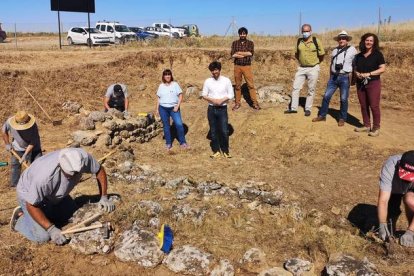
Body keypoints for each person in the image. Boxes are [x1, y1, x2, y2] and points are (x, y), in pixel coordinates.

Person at [9, 148, 115, 245]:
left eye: (76, 173)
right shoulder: (44, 178)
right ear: (61, 166)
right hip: (28, 195)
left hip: (53, 195)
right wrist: (51, 229)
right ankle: (19, 219)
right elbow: (31, 205)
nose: (73, 176)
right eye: (69, 174)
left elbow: (99, 170)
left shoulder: (81, 158)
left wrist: (104, 197)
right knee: (43, 237)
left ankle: (44, 214)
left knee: (72, 214)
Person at [312, 31, 357, 126]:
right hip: (333, 77)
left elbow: (355, 64)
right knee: (326, 96)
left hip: (345, 77)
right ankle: (322, 115)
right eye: (340, 38)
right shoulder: (334, 51)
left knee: (343, 99)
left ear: (347, 40)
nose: (341, 40)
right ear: (338, 40)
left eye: (344, 38)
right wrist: (330, 76)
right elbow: (331, 64)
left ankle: (342, 118)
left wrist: (354, 78)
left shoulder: (352, 50)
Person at [285, 24, 325, 117]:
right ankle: (293, 108)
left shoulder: (316, 41)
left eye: (307, 31)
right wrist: (301, 61)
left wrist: (317, 62)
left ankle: (308, 109)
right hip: (302, 68)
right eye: (303, 31)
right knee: (295, 88)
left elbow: (322, 54)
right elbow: (296, 53)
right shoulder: (299, 41)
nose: (305, 33)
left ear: (311, 31)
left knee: (311, 89)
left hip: (313, 68)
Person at [377, 151, 414, 247]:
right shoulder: (390, 167)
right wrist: (382, 224)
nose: (406, 180)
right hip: (395, 187)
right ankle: (390, 231)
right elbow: (383, 200)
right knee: (392, 210)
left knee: (410, 201)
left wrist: (410, 231)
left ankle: (411, 233)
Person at [353, 33, 385, 137]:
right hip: (360, 83)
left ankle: (376, 127)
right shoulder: (358, 56)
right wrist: (357, 73)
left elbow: (382, 69)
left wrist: (369, 74)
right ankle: (366, 125)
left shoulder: (378, 54)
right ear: (363, 41)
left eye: (371, 41)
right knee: (363, 105)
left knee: (374, 106)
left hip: (373, 83)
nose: (369, 42)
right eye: (367, 40)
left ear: (374, 42)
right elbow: (355, 68)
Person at [202, 61, 234, 158]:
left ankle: (225, 150)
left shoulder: (226, 80)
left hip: (222, 109)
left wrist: (221, 100)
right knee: (213, 131)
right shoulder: (208, 81)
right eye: (212, 70)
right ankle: (216, 151)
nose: (214, 72)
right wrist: (213, 100)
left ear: (219, 69)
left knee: (224, 130)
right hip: (211, 109)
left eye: (216, 70)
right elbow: (204, 94)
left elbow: (231, 94)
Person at [2, 111, 42, 187]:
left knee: (37, 165)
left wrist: (25, 155)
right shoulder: (9, 122)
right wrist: (7, 144)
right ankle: (15, 185)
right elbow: (4, 131)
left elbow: (33, 142)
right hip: (18, 147)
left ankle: (37, 184)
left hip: (34, 148)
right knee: (15, 165)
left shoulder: (33, 125)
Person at [155, 69, 188, 150]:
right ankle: (168, 143)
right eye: (166, 75)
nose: (167, 76)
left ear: (171, 76)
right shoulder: (161, 86)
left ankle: (183, 142)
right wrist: (157, 109)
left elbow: (180, 95)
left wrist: (177, 106)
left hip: (174, 108)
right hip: (163, 108)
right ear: (163, 76)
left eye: (169, 74)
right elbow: (158, 98)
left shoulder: (175, 84)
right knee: (166, 126)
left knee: (179, 124)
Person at [230, 27, 261, 111]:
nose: (242, 35)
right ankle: (237, 103)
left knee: (250, 85)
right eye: (241, 33)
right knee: (237, 86)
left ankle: (255, 103)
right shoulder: (235, 43)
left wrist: (239, 53)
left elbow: (250, 53)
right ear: (239, 34)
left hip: (247, 66)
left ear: (246, 34)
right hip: (237, 66)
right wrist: (244, 54)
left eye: (244, 33)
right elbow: (233, 55)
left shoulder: (250, 43)